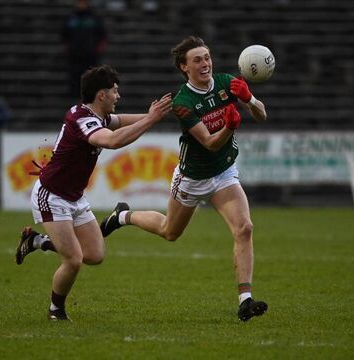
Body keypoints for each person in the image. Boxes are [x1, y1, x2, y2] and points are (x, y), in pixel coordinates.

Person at [99, 36, 269, 322]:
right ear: (184, 67)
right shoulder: (183, 102)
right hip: (192, 178)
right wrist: (229, 126)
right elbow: (210, 142)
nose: (206, 64)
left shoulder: (227, 82)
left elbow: (262, 116)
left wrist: (250, 99)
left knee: (245, 228)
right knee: (169, 232)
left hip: (224, 172)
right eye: (197, 60)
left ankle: (245, 299)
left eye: (207, 57)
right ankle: (123, 216)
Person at [14, 65, 172, 321]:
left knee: (95, 255)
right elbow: (112, 141)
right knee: (74, 260)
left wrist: (156, 114)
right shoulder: (81, 119)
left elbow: (121, 121)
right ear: (101, 95)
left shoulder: (97, 117)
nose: (118, 97)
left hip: (74, 197)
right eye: (115, 91)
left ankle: (38, 242)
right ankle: (56, 311)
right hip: (51, 196)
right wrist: (151, 119)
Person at [61, 0, 107, 98]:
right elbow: (64, 34)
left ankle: (90, 94)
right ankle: (74, 93)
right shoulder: (71, 18)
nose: (82, 5)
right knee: (74, 74)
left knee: (90, 75)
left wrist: (98, 48)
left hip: (90, 53)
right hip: (74, 53)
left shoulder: (94, 18)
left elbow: (101, 34)